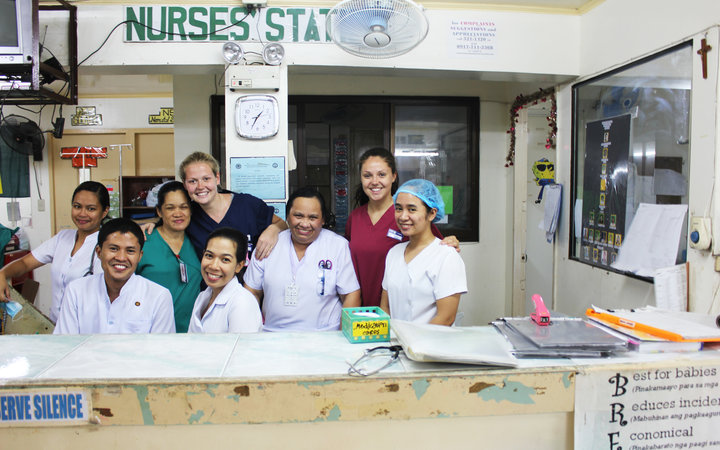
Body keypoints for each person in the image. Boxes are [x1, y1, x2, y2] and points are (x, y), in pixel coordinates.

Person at [345, 148, 459, 308]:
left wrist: (451, 242)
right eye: (367, 175)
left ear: (394, 176)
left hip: (398, 310)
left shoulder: (406, 216)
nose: (374, 181)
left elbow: (436, 248)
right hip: (360, 309)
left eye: (382, 174)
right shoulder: (355, 218)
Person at [244, 187, 361, 332]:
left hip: (325, 337)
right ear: (287, 216)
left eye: (313, 217)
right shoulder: (269, 244)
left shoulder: (337, 246)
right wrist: (253, 333)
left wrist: (343, 338)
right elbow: (251, 292)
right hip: (272, 336)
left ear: (323, 220)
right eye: (298, 216)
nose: (305, 224)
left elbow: (351, 295)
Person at [0, 181, 109, 323]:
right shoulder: (62, 238)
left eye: (91, 209)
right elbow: (25, 263)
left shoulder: (107, 245)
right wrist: (2, 273)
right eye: (77, 207)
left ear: (104, 211)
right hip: (56, 325)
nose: (82, 214)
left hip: (86, 328)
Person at [54, 218, 175, 334]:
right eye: (113, 249)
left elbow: (161, 350)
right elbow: (64, 344)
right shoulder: (76, 291)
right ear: (99, 252)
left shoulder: (158, 297)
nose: (121, 258)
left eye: (130, 251)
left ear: (140, 256)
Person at [380, 179, 467, 326]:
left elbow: (446, 317)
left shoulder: (446, 256)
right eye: (399, 208)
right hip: (396, 344)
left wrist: (413, 344)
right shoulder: (394, 253)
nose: (402, 216)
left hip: (431, 345)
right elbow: (385, 307)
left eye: (412, 209)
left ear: (432, 213)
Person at [178, 152, 287, 259]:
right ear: (185, 185)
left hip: (252, 276)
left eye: (206, 179)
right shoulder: (188, 217)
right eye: (192, 181)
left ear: (217, 178)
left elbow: (282, 224)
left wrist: (273, 229)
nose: (200, 186)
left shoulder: (247, 205)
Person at [136, 181, 201, 333]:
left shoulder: (199, 240)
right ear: (159, 211)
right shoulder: (144, 241)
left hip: (190, 334)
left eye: (183, 207)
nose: (178, 213)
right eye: (170, 208)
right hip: (149, 332)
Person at [188, 228, 262, 333]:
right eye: (209, 256)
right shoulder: (203, 297)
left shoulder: (242, 302)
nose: (214, 266)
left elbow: (242, 348)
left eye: (225, 260)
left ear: (239, 266)